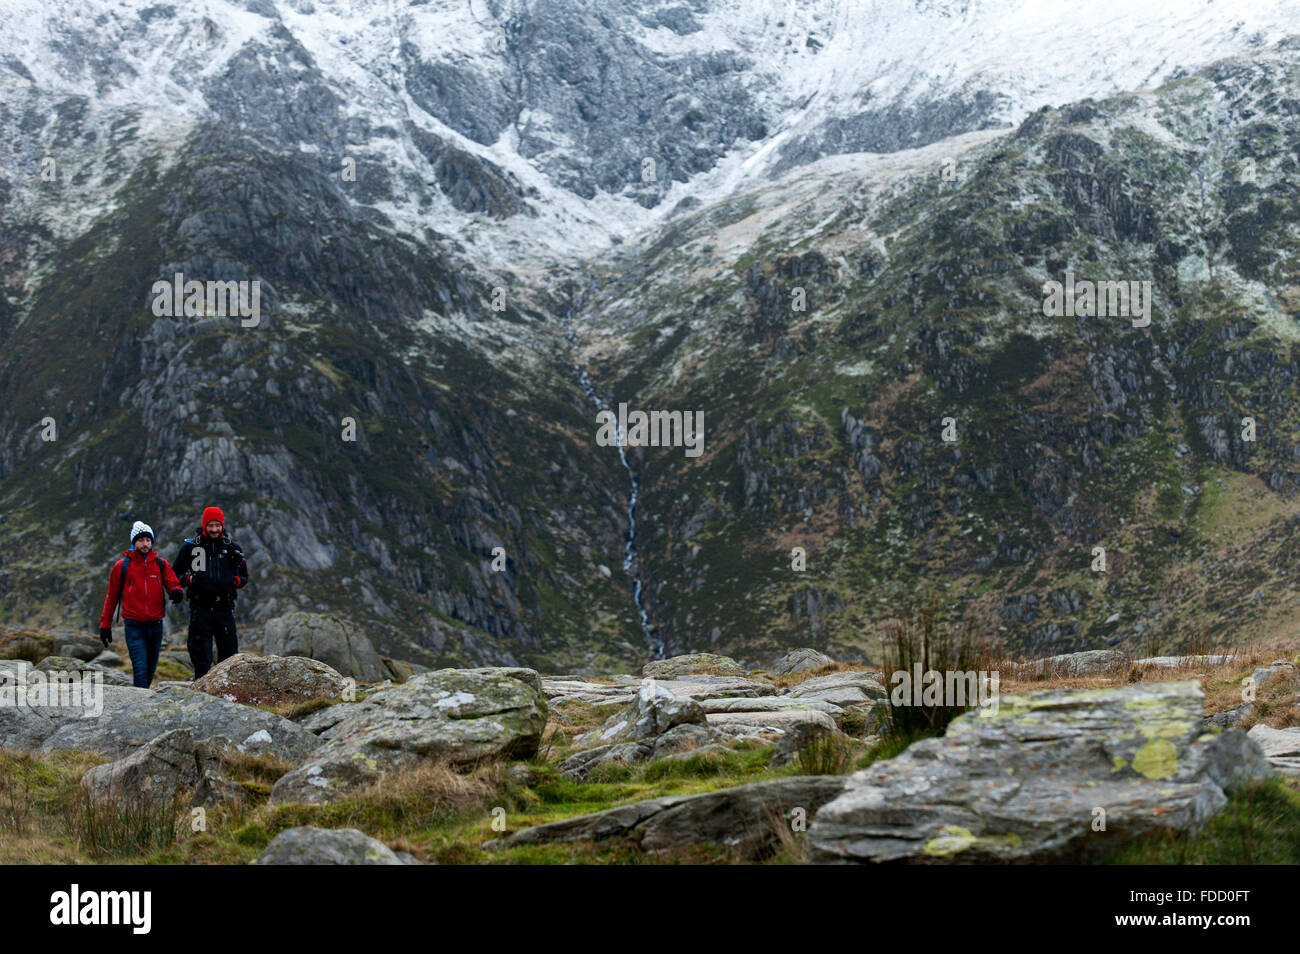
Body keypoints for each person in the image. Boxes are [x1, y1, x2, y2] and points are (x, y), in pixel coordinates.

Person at [99, 521, 184, 689]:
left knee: (150, 670)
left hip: (156, 625)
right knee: (140, 668)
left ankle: (141, 701)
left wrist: (176, 591)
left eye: (148, 540)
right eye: (141, 540)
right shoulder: (121, 566)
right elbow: (112, 597)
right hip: (133, 626)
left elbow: (172, 582)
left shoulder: (161, 564)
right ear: (134, 542)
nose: (145, 544)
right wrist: (105, 625)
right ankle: (142, 708)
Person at [174, 506, 248, 679]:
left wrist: (236, 582)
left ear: (222, 526)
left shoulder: (233, 549)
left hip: (225, 607)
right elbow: (174, 575)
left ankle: (227, 692)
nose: (214, 529)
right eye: (211, 525)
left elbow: (244, 576)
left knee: (229, 655)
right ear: (204, 525)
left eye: (217, 525)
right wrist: (188, 580)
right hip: (200, 608)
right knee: (201, 656)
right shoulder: (190, 547)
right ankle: (201, 691)